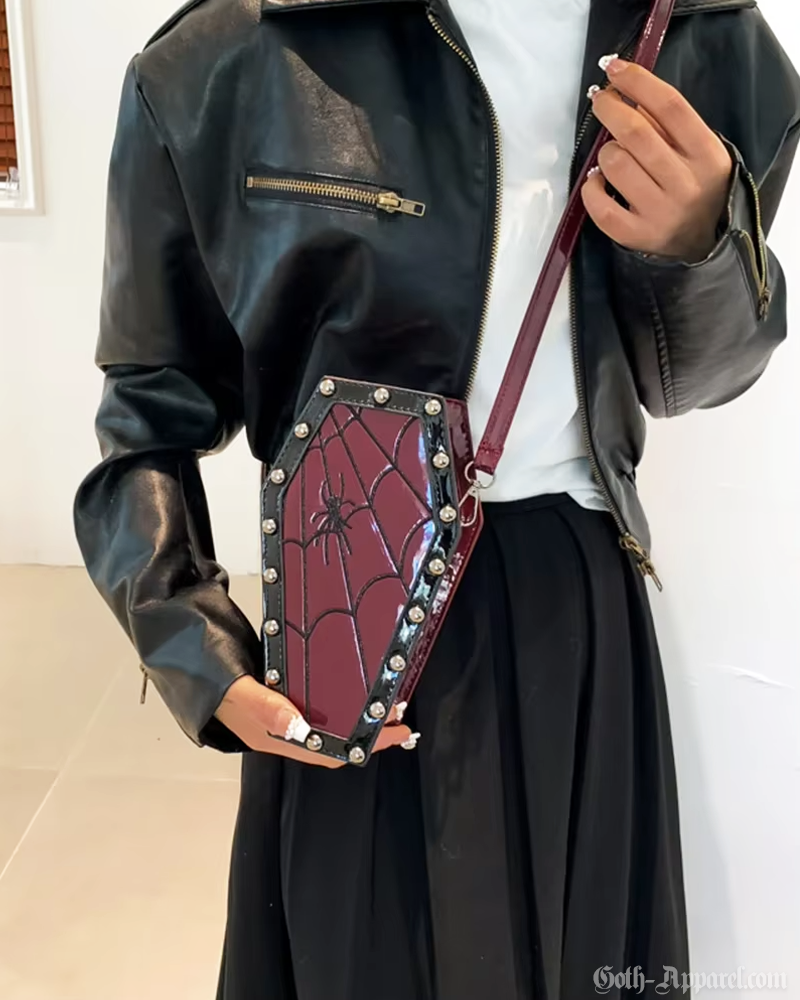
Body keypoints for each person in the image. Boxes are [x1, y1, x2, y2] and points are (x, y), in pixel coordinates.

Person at [74, 0, 800, 997]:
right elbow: (147, 409)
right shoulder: (231, 51)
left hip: (574, 610)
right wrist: (196, 650)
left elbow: (699, 381)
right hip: (347, 607)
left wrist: (702, 249)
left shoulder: (699, 34)